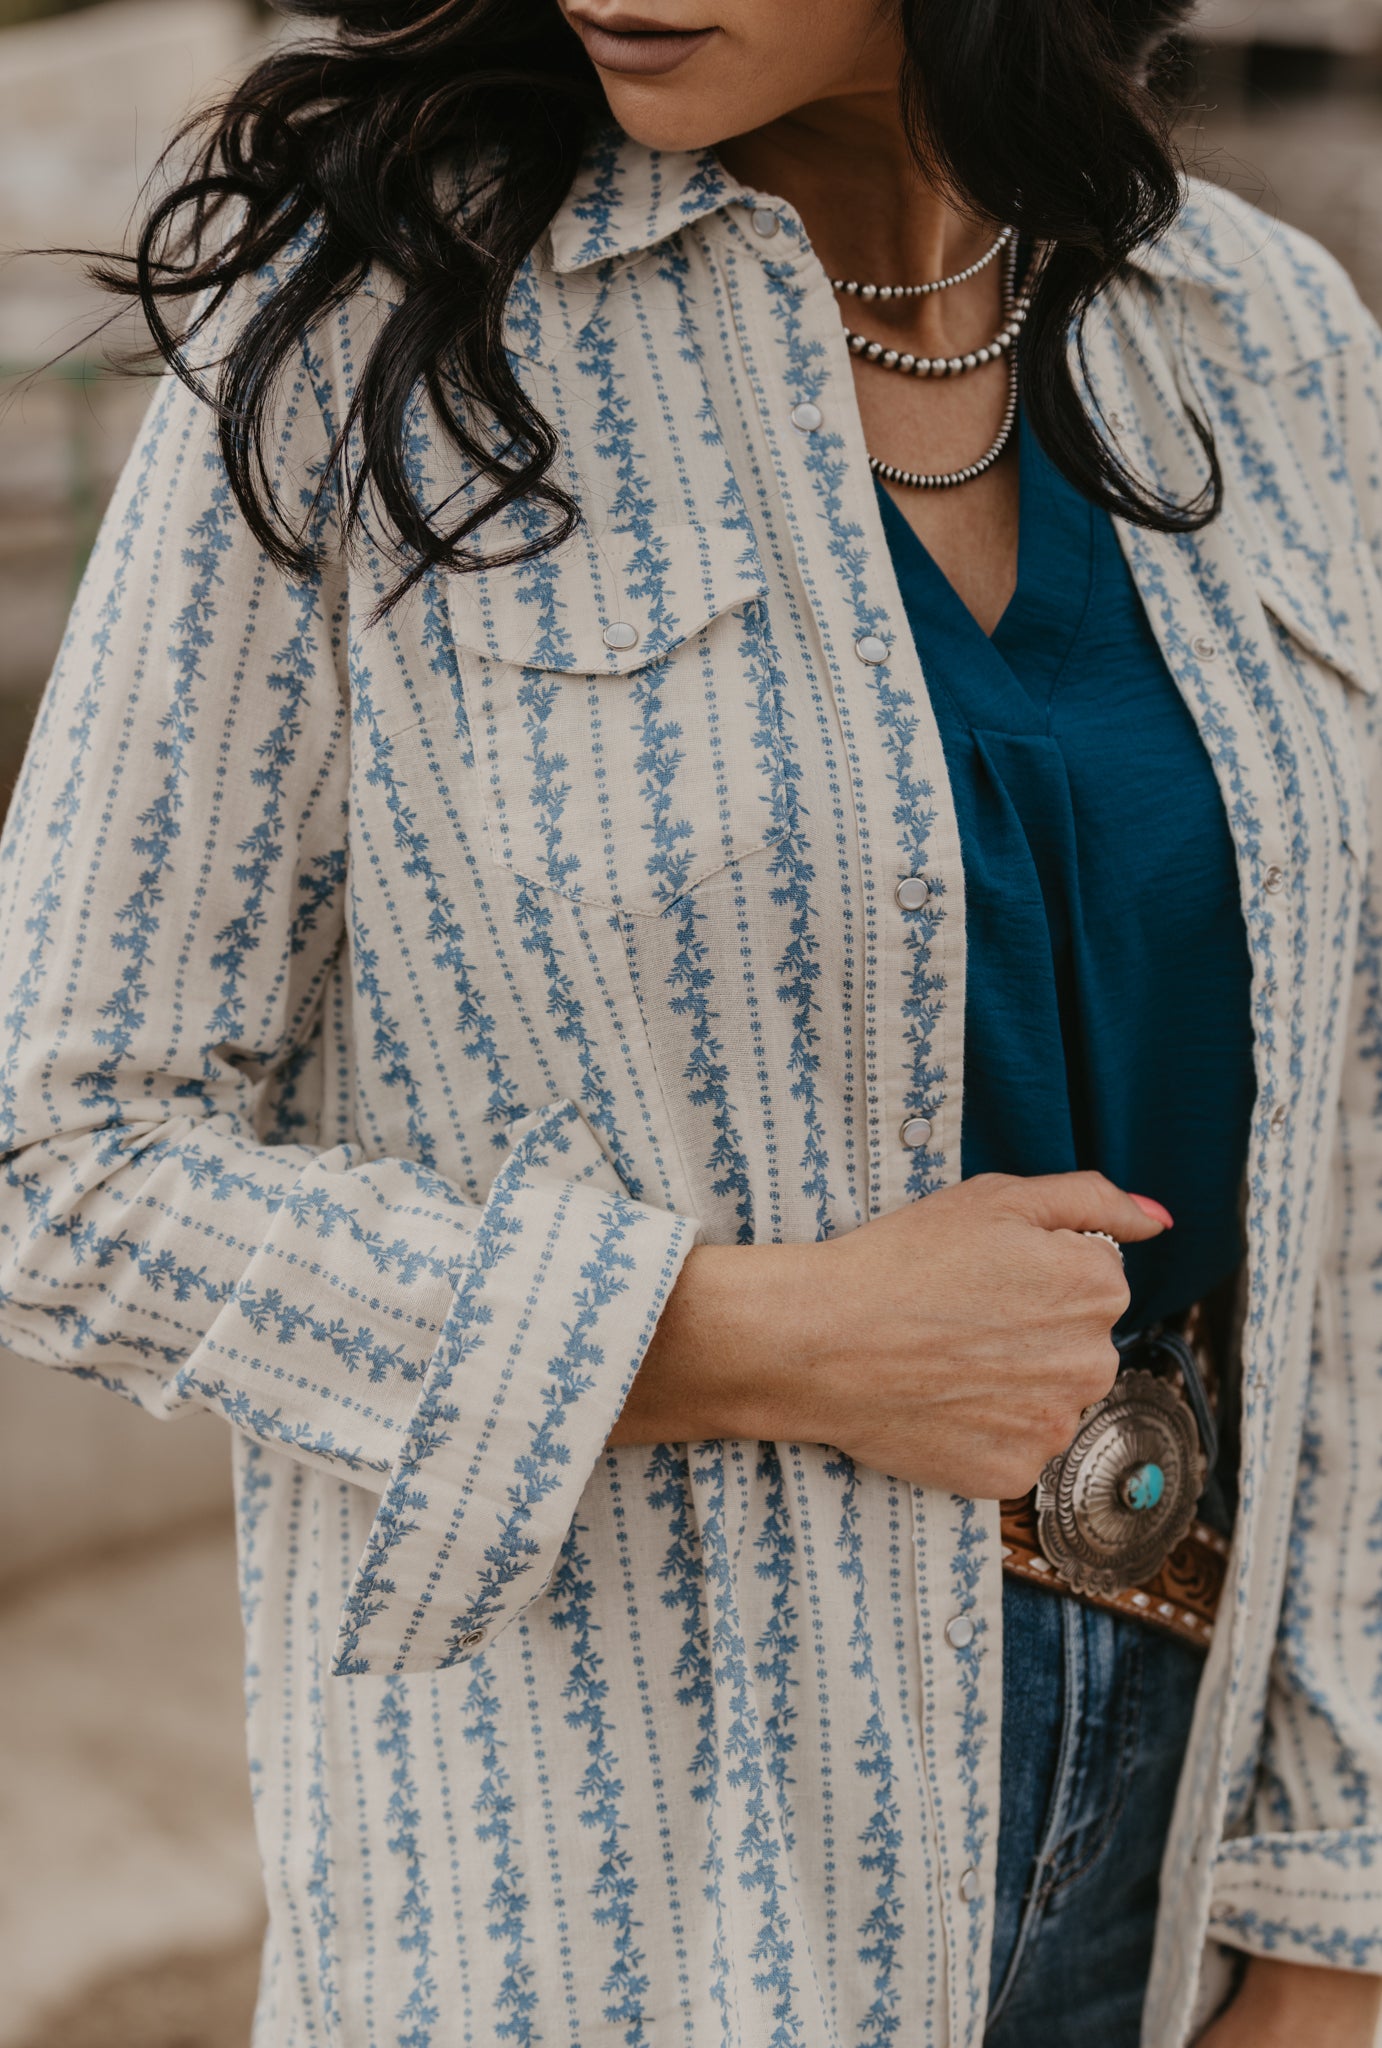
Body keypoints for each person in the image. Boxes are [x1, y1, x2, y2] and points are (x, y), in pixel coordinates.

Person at [1, 0, 1380, 2040]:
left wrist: (1338, 1907)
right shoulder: (369, 342)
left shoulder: (1266, 337)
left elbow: (1355, 1154)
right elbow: (57, 1157)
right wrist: (737, 1334)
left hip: (1187, 1826)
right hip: (630, 1876)